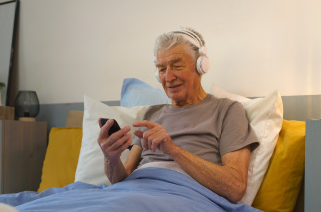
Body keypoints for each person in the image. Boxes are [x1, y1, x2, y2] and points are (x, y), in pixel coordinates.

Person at [97, 27, 259, 203]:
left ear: (201, 66)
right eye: (161, 69)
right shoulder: (151, 114)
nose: (168, 77)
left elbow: (235, 187)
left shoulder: (227, 111)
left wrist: (173, 150)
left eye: (177, 66)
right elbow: (121, 179)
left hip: (181, 197)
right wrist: (111, 159)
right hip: (133, 192)